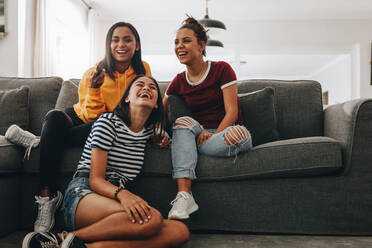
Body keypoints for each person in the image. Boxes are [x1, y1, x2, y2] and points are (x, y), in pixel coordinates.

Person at [5, 21, 152, 233]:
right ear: (108, 45)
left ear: (136, 45)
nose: (121, 44)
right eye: (115, 40)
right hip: (86, 115)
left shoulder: (142, 70)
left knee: (89, 127)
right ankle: (48, 196)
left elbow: (108, 122)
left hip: (108, 122)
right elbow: (91, 114)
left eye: (127, 39)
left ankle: (41, 141)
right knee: (54, 116)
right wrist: (94, 88)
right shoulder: (94, 71)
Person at [22, 75, 188, 248]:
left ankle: (84, 246)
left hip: (114, 202)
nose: (147, 88)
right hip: (85, 192)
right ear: (127, 98)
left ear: (156, 104)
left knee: (179, 230)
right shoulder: (108, 122)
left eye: (152, 87)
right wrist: (124, 195)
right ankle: (60, 239)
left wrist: (164, 138)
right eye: (140, 85)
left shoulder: (149, 133)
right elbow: (96, 180)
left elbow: (165, 134)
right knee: (152, 219)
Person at [163, 17, 253, 220]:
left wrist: (211, 137)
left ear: (201, 45)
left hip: (223, 134)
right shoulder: (178, 81)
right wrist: (160, 134)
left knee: (240, 134)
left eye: (185, 41)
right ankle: (185, 196)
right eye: (176, 42)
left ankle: (187, 148)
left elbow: (232, 113)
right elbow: (159, 112)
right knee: (181, 123)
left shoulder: (222, 69)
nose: (179, 46)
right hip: (197, 133)